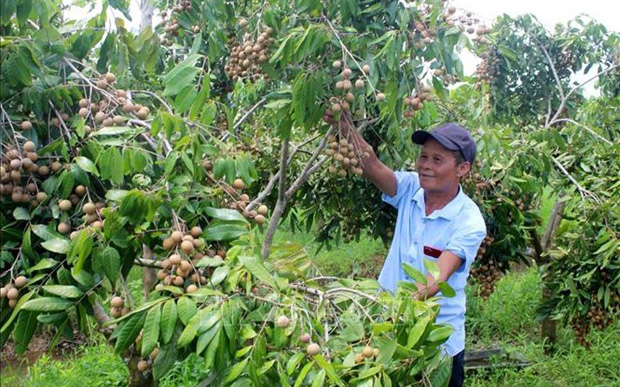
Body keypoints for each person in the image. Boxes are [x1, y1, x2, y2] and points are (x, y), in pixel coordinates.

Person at [324, 111, 487, 387]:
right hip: (386, 332)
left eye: (437, 160)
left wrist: (394, 307)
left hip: (437, 346)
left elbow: (437, 279)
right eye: (423, 156)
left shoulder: (468, 221)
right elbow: (372, 166)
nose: (425, 165)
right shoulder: (411, 187)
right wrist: (344, 125)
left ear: (462, 169)